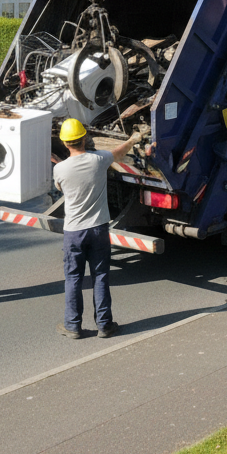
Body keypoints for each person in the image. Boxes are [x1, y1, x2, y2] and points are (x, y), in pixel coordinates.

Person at [52, 118, 141, 338]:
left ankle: (72, 326)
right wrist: (133, 139)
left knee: (73, 279)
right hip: (98, 229)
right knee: (100, 276)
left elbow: (60, 186)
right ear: (84, 138)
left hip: (73, 232)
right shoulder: (98, 160)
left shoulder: (60, 169)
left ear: (65, 143)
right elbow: (119, 152)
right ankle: (105, 325)